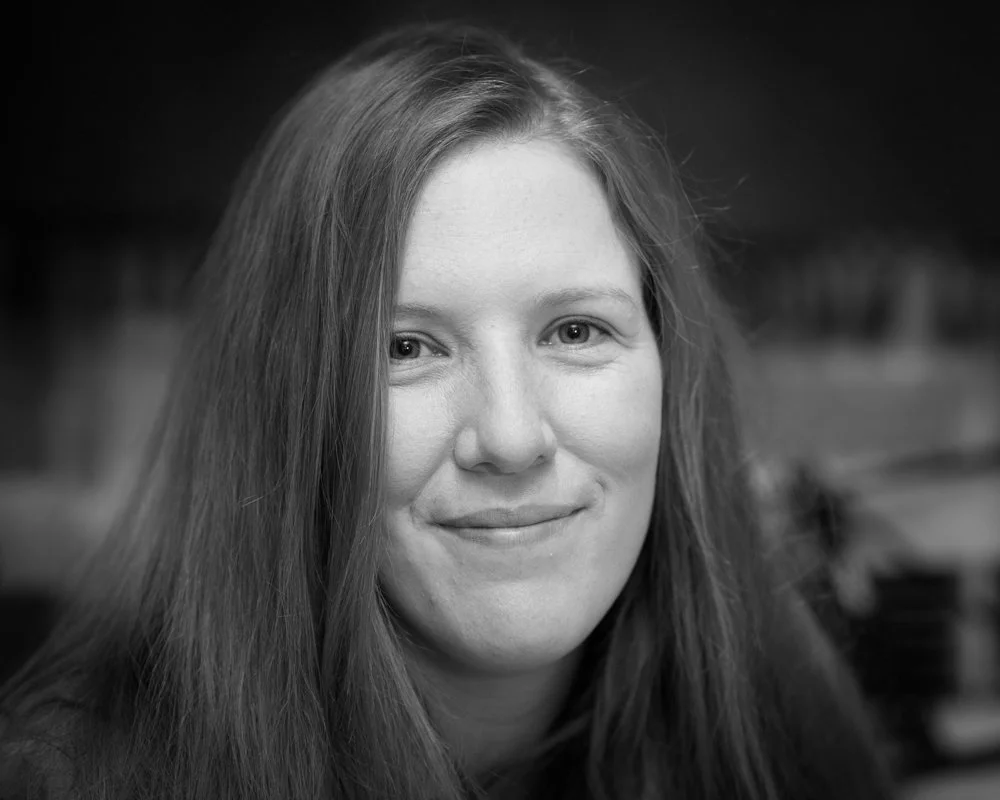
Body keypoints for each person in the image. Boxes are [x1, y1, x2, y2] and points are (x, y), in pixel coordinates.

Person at [0, 21, 895, 800]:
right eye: (404, 349)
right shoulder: (67, 780)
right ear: (285, 409)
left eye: (575, 330)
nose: (510, 436)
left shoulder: (788, 737)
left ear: (669, 365)